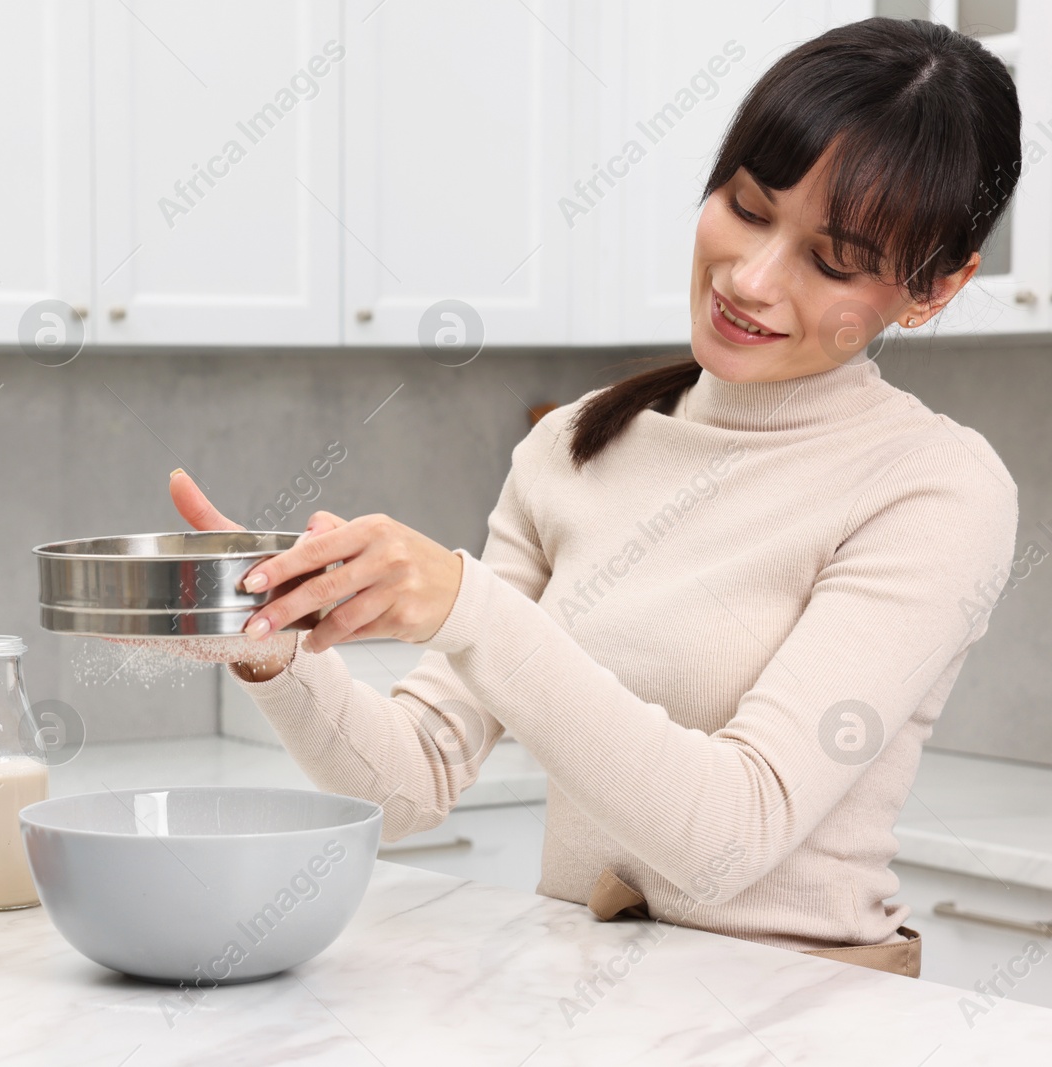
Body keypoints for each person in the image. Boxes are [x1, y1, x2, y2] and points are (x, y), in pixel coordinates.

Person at [160, 17, 1022, 977]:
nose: (751, 276)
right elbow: (408, 783)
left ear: (934, 289)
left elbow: (729, 837)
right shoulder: (573, 447)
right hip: (588, 999)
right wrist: (272, 643)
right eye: (746, 205)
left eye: (832, 261)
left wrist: (465, 606)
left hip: (806, 1014)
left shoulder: (934, 488)